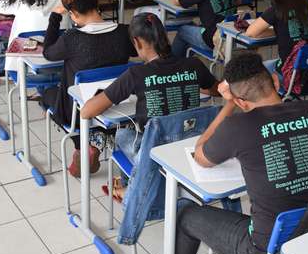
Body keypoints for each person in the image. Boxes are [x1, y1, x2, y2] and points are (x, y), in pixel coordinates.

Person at [115, 52, 308, 254]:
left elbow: (200, 154)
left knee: (184, 213)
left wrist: (229, 104)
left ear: (241, 102)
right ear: (275, 80)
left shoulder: (240, 126)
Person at [81, 13, 219, 200]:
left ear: (137, 42)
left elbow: (87, 111)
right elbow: (218, 90)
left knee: (123, 134)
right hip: (188, 144)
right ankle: (130, 184)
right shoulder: (193, 65)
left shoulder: (137, 74)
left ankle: (131, 187)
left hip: (154, 150)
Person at [41, 0, 136, 176]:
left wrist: (55, 18)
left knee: (47, 94)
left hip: (80, 111)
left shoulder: (71, 39)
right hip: (116, 105)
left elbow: (48, 52)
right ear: (97, 3)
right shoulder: (124, 32)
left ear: (72, 13)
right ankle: (98, 136)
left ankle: (81, 144)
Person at [244, 0, 308, 75]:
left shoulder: (276, 9)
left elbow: (250, 33)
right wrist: (277, 30)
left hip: (290, 69)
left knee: (254, 71)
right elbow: (289, 29)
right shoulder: (306, 3)